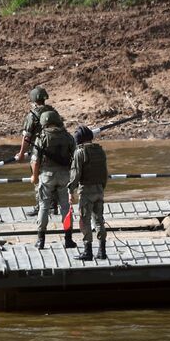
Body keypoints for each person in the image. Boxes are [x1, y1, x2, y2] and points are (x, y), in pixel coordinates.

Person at [31, 110, 77, 251]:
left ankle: (41, 240)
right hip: (65, 176)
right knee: (65, 208)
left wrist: (35, 175)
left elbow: (35, 160)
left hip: (47, 176)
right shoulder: (68, 137)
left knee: (44, 206)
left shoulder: (42, 138)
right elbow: (75, 158)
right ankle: (68, 239)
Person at [70, 125, 109, 260]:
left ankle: (88, 252)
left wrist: (70, 191)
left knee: (85, 221)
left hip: (86, 191)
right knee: (99, 220)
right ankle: (102, 251)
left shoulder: (79, 153)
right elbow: (105, 173)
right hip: (99, 189)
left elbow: (75, 175)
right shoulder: (100, 151)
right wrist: (101, 187)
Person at [17, 86, 59, 209]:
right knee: (54, 177)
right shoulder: (53, 113)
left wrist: (21, 153)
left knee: (38, 179)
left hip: (38, 151)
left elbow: (27, 137)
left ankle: (40, 206)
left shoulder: (32, 115)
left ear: (33, 100)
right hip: (55, 150)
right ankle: (53, 204)